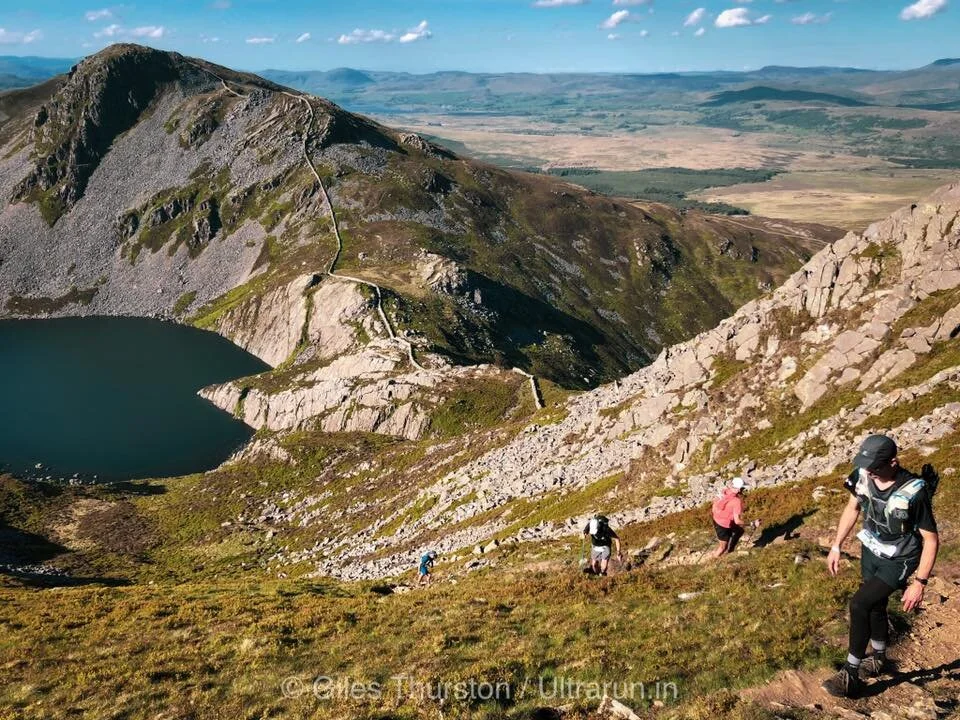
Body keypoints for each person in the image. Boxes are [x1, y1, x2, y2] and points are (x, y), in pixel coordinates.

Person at [823, 434, 939, 699]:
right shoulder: (862, 476)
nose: (869, 471)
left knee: (859, 603)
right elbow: (852, 508)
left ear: (894, 462)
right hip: (871, 550)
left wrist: (919, 583)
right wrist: (836, 545)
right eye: (866, 465)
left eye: (875, 466)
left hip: (900, 559)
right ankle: (878, 657)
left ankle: (850, 675)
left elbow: (931, 539)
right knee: (875, 604)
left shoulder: (914, 493)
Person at [711, 477, 748, 558]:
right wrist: (751, 523)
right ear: (739, 489)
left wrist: (716, 513)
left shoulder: (724, 491)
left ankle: (730, 550)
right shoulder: (736, 501)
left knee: (739, 531)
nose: (743, 491)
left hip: (716, 519)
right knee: (722, 547)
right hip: (723, 525)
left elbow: (714, 502)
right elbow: (737, 521)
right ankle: (712, 561)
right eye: (742, 489)